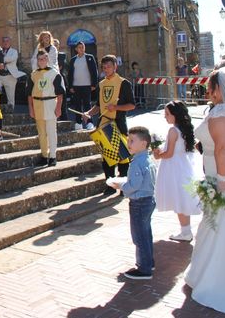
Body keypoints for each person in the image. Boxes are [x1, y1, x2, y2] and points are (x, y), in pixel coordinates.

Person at [185, 68, 225, 313]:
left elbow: (224, 148)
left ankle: (216, 280)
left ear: (218, 89)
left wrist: (222, 180)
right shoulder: (223, 111)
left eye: (210, 88)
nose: (207, 92)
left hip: (221, 177)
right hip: (216, 174)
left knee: (219, 227)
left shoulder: (222, 113)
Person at [108, 126, 157, 280]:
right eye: (128, 140)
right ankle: (148, 261)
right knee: (146, 233)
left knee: (139, 236)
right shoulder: (147, 158)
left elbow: (134, 185)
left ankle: (144, 268)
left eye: (132, 141)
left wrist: (120, 186)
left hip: (139, 203)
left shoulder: (136, 162)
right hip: (148, 200)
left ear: (143, 144)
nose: (128, 143)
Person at [84, 55, 136, 195]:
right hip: (103, 123)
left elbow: (131, 105)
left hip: (118, 123)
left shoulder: (123, 83)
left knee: (122, 158)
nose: (106, 70)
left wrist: (116, 108)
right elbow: (98, 105)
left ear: (115, 67)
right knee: (107, 157)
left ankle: (123, 186)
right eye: (104, 67)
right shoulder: (101, 84)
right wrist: (89, 113)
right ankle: (110, 185)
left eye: (109, 67)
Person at [153, 100, 202, 241]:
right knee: (181, 198)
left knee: (179, 198)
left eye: (167, 114)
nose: (165, 116)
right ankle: (185, 231)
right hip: (182, 166)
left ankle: (186, 232)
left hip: (174, 168)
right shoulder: (183, 129)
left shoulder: (173, 130)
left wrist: (158, 155)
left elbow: (169, 154)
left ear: (175, 115)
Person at [27, 50, 65, 167]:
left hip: (50, 104)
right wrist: (31, 108)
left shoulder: (55, 73)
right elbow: (29, 93)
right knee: (41, 133)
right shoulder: (33, 74)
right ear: (37, 61)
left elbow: (60, 93)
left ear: (47, 60)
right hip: (37, 104)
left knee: (51, 132)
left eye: (44, 59)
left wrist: (59, 108)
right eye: (39, 59)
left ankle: (52, 156)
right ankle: (44, 155)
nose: (42, 61)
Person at [67, 41, 98, 130]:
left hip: (87, 85)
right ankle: (78, 122)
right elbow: (70, 74)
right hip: (76, 86)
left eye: (83, 47)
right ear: (76, 49)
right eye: (79, 47)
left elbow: (94, 71)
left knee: (87, 105)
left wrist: (93, 84)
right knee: (77, 105)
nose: (81, 49)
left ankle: (89, 122)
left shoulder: (89, 57)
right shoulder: (73, 60)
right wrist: (71, 86)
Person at [0, 36, 25, 112]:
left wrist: (0, 59)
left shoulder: (14, 51)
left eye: (7, 41)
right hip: (0, 75)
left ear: (10, 42)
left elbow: (11, 59)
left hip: (10, 76)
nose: (6, 42)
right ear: (2, 43)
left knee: (11, 97)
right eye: (4, 41)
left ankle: (11, 112)